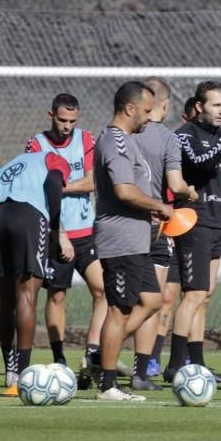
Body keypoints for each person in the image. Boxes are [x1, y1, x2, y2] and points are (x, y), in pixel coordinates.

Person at [162, 81, 221, 384]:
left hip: (215, 222)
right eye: (216, 105)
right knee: (192, 295)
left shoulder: (219, 136)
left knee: (204, 296)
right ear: (200, 106)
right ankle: (176, 365)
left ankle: (198, 364)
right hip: (193, 222)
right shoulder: (184, 136)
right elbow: (201, 164)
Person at [0, 150, 71, 394]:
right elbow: (53, 182)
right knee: (27, 296)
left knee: (6, 300)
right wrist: (54, 230)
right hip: (29, 219)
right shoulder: (53, 158)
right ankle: (23, 374)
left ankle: (10, 370)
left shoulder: (5, 170)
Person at [93, 81, 173, 401]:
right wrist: (159, 206)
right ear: (129, 109)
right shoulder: (115, 141)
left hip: (137, 238)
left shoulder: (126, 140)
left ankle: (101, 356)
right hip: (122, 239)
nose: (149, 117)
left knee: (152, 301)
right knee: (119, 310)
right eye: (146, 110)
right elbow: (124, 191)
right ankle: (107, 384)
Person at [25, 94, 108, 373]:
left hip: (86, 233)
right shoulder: (36, 144)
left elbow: (93, 181)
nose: (67, 126)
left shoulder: (85, 140)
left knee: (104, 291)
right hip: (57, 233)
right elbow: (37, 190)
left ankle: (92, 353)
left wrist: (59, 187)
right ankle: (59, 358)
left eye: (72, 121)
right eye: (62, 120)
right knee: (57, 296)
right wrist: (58, 233)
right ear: (51, 115)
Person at [129, 77, 196, 390]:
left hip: (120, 226)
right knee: (151, 301)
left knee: (116, 301)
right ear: (165, 105)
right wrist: (190, 193)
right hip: (154, 228)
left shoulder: (120, 135)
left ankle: (102, 355)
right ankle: (138, 371)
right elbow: (175, 185)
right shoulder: (168, 138)